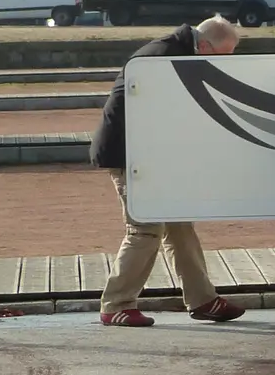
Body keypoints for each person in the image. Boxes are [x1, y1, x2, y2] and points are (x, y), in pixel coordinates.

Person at [93, 16, 248, 327]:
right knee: (145, 229)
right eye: (223, 57)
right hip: (132, 156)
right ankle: (115, 304)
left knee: (180, 227)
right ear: (204, 46)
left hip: (153, 156)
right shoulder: (162, 58)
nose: (225, 65)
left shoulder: (177, 54)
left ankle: (203, 299)